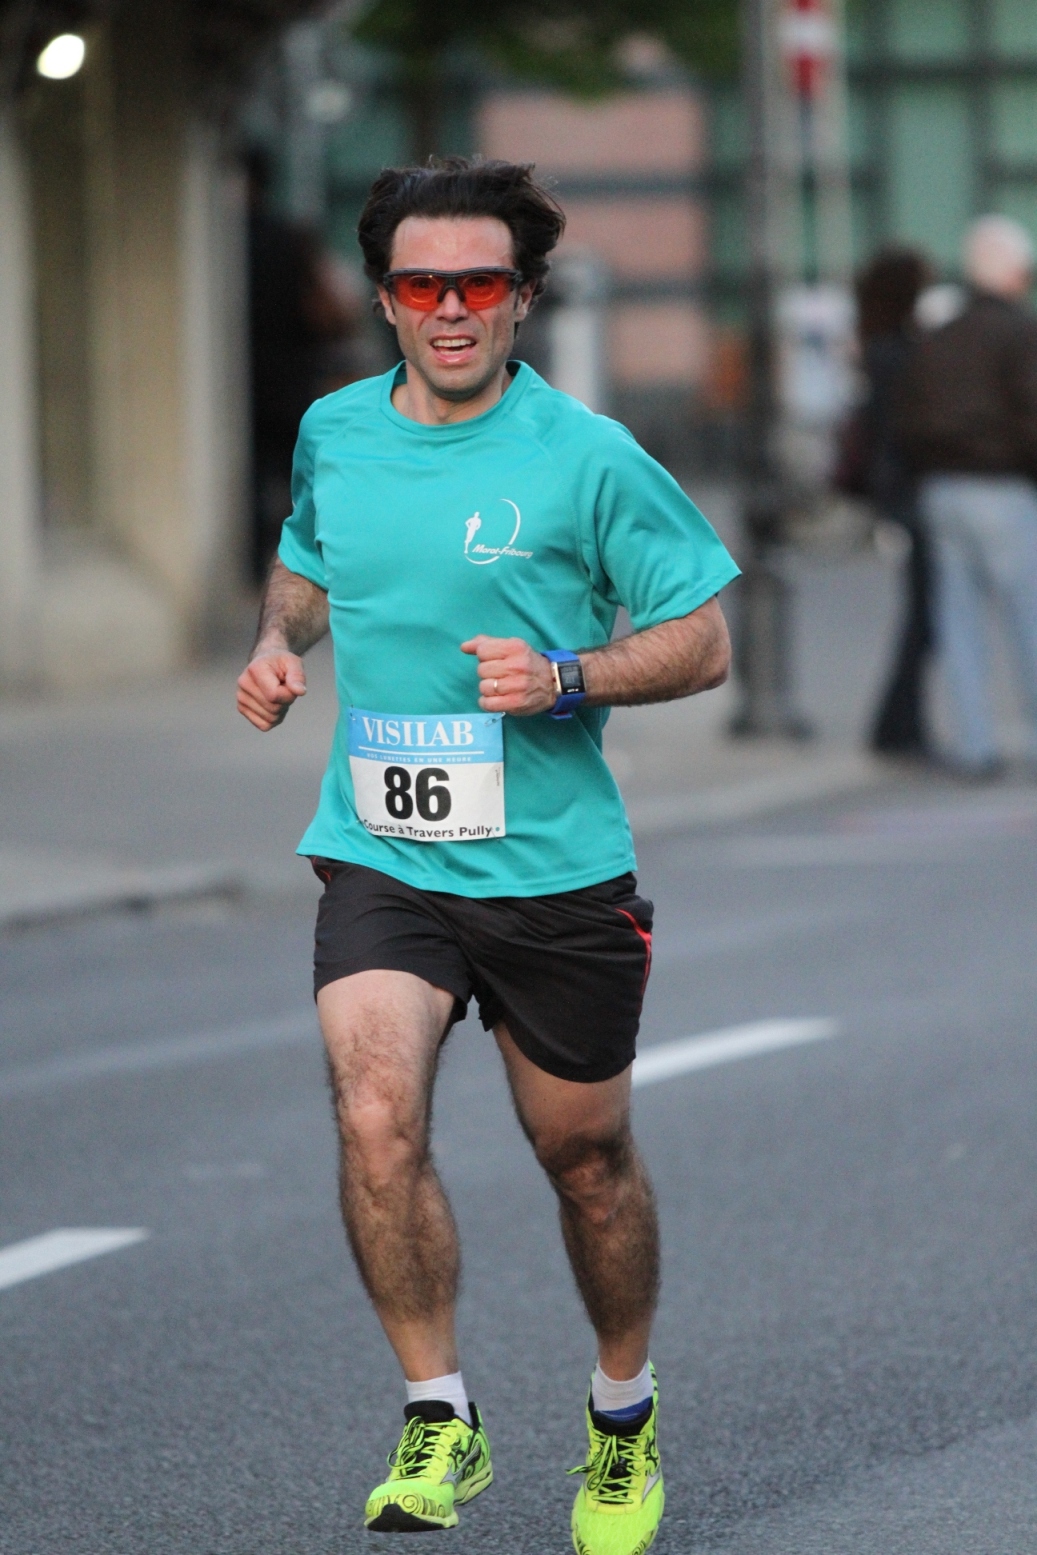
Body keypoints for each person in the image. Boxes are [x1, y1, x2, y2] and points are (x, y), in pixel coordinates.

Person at [236, 157, 739, 1554]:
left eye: (477, 283)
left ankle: (621, 1413)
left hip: (552, 868)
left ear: (521, 299)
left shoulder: (585, 454)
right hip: (383, 850)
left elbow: (701, 638)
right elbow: (309, 561)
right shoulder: (336, 429)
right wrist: (278, 642)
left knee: (584, 1156)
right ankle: (437, 1412)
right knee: (373, 1114)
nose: (448, 308)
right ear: (384, 299)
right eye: (420, 284)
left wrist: (568, 676)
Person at [898, 215, 1037, 776]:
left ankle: (975, 744)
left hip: (941, 489)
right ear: (1014, 272)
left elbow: (907, 418)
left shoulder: (939, 336)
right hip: (1002, 489)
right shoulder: (1020, 333)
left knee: (959, 623)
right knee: (1026, 618)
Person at [247, 146, 367, 581]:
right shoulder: (290, 238)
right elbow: (329, 309)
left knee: (257, 475)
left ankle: (262, 560)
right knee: (297, 475)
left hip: (251, 378)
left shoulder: (231, 239)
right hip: (293, 373)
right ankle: (303, 556)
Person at [840, 247, 933, 757]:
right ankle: (897, 726)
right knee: (924, 616)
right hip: (907, 492)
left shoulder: (878, 345)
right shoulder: (895, 351)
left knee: (924, 614)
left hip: (895, 490)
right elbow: (901, 430)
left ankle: (900, 725)